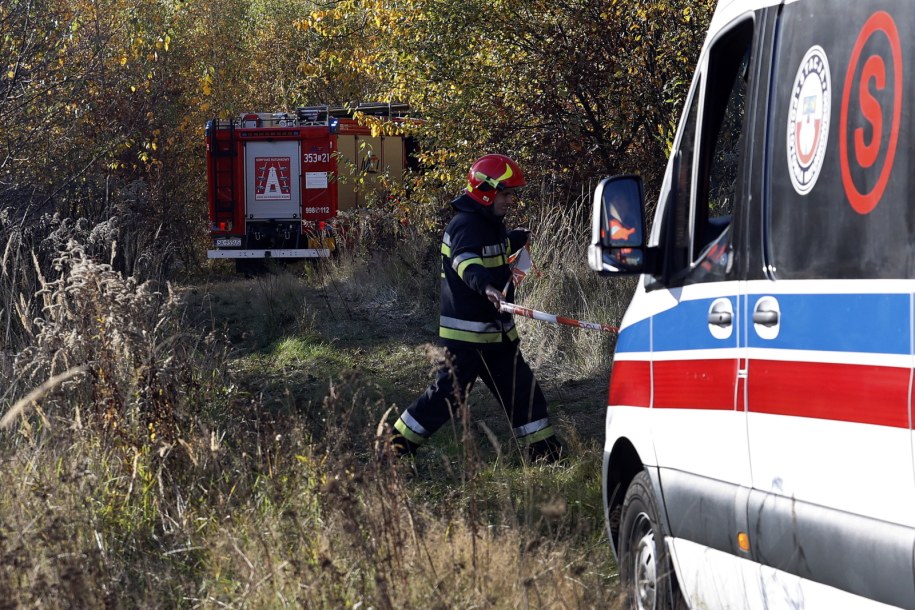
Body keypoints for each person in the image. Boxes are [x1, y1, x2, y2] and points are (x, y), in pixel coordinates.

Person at [390, 154, 564, 464]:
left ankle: (544, 453)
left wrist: (514, 240)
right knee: (444, 399)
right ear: (486, 191)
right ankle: (392, 451)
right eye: (506, 193)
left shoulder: (490, 224)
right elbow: (466, 263)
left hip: (497, 336)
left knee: (522, 392)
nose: (512, 200)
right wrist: (487, 288)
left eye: (512, 193)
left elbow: (492, 252)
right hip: (467, 341)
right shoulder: (465, 225)